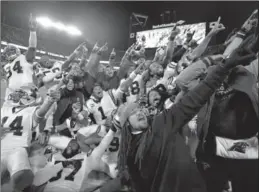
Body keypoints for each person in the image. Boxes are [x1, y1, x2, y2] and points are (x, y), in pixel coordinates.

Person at [112, 42, 256, 192]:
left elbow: (194, 100)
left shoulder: (162, 122)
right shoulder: (130, 153)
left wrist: (224, 66)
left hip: (210, 170)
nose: (140, 112)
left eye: (139, 109)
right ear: (126, 124)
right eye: (133, 113)